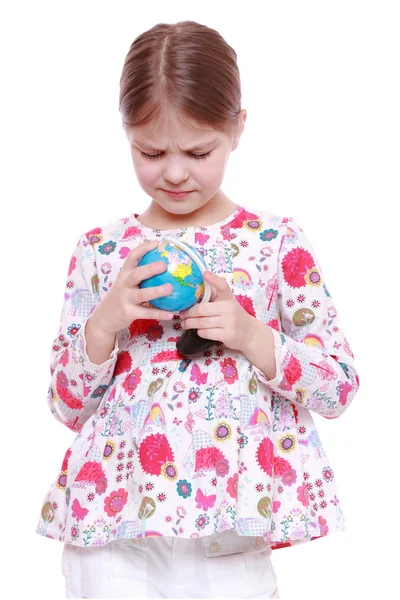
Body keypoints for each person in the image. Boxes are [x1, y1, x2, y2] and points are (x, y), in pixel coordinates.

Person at [35, 20, 360, 599]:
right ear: (126, 134)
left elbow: (338, 388)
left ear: (237, 128)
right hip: (112, 530)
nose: (176, 171)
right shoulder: (101, 251)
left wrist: (251, 334)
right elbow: (64, 404)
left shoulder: (276, 244)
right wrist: (105, 322)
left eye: (198, 150)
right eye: (151, 151)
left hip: (229, 533)